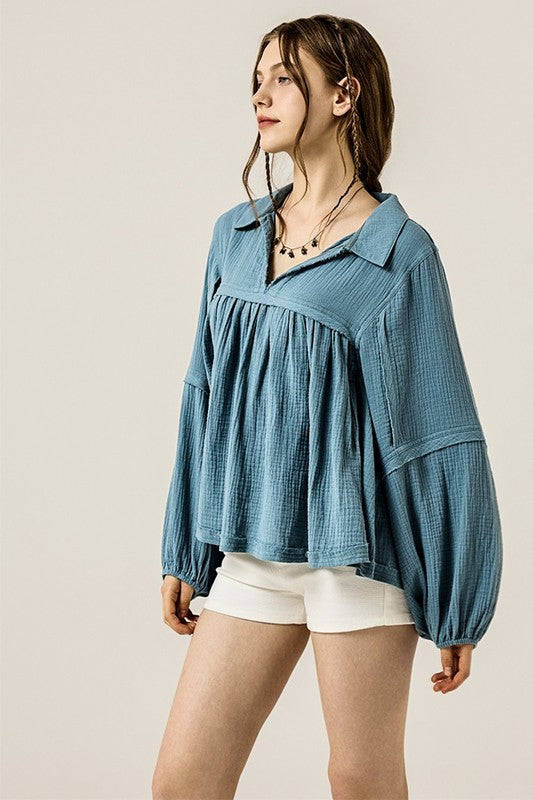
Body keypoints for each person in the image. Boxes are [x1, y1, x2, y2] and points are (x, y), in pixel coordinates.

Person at [152, 14, 503, 800]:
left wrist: (457, 598)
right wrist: (185, 547)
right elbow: (204, 391)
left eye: (283, 79)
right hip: (252, 550)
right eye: (256, 80)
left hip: (356, 558)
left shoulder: (395, 251)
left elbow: (436, 428)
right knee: (183, 781)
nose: (260, 96)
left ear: (343, 94)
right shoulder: (235, 235)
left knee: (359, 780)